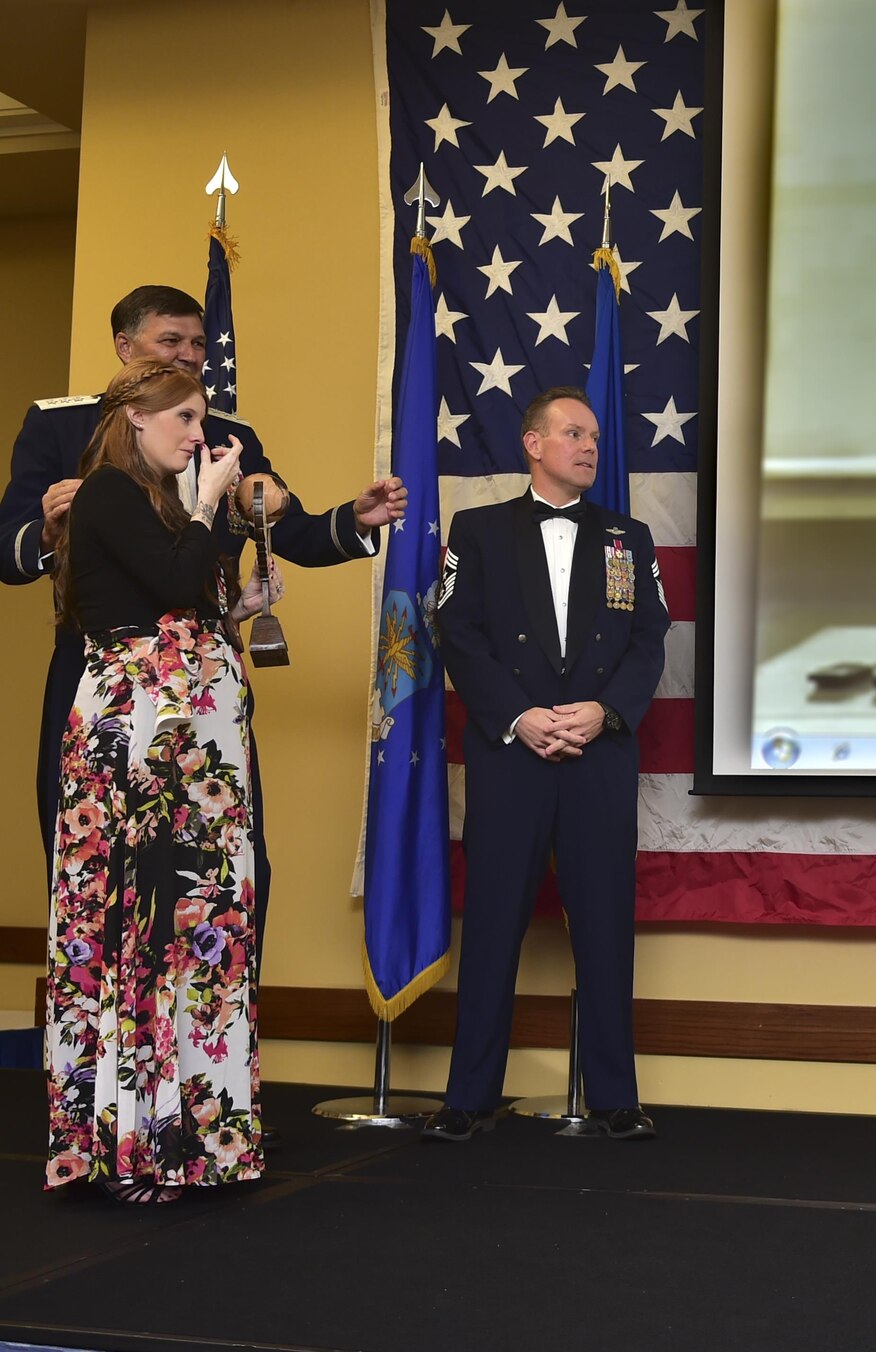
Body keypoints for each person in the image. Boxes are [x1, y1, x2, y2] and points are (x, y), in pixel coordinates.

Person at [1, 285, 407, 944]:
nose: (192, 356)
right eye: (172, 342)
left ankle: (205, 1031)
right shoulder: (61, 427)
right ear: (125, 349)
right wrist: (49, 536)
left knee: (225, 871)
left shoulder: (227, 436)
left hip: (205, 685)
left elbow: (286, 527)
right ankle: (117, 1034)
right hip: (98, 676)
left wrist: (351, 521)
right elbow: (8, 547)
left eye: (197, 342)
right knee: (95, 870)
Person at [45, 361, 280, 1201]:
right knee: (143, 917)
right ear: (135, 421)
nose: (199, 435)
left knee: (200, 918)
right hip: (140, 730)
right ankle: (134, 1144)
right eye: (183, 418)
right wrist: (211, 499)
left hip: (197, 731)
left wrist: (239, 610)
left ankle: (199, 1134)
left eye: (201, 419)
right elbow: (172, 583)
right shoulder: (107, 490)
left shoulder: (163, 505)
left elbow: (179, 597)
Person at [423, 387, 670, 1144]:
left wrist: (604, 713)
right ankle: (469, 1098)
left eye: (594, 436)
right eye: (573, 433)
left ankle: (615, 1097)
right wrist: (520, 717)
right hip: (512, 754)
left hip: (598, 754)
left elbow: (646, 641)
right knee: (494, 922)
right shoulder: (479, 530)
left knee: (604, 926)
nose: (590, 446)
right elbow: (457, 632)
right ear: (533, 444)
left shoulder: (628, 538)